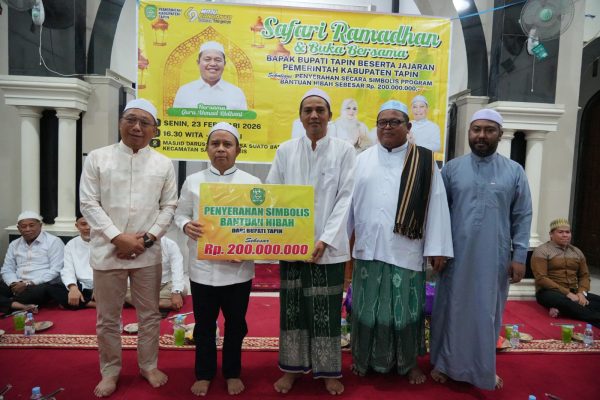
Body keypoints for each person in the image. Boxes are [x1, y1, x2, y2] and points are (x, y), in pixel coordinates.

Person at [348, 100, 453, 383]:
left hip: (406, 248)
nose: (387, 127)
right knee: (366, 310)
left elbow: (437, 205)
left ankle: (408, 364)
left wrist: (438, 249)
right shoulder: (362, 160)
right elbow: (347, 205)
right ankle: (363, 359)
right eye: (382, 122)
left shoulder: (424, 161)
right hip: (369, 247)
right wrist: (339, 242)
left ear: (408, 127)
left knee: (405, 310)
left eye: (395, 122)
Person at [80, 98, 178, 397]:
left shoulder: (164, 163)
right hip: (107, 251)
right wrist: (117, 237)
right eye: (130, 119)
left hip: (147, 253)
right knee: (108, 318)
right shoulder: (97, 158)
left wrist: (146, 240)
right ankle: (110, 371)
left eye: (144, 122)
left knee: (149, 315)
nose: (136, 127)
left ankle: (148, 365)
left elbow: (169, 206)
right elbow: (88, 202)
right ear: (120, 122)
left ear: (154, 130)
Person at [430, 109, 532, 390]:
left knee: (486, 312)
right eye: (476, 129)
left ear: (500, 134)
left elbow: (522, 216)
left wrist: (519, 256)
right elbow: (438, 214)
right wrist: (437, 249)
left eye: (489, 130)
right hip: (455, 255)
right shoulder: (452, 169)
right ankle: (444, 364)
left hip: (494, 256)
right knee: (451, 308)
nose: (482, 135)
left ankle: (482, 369)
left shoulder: (514, 171)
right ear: (469, 132)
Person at [267, 88, 356, 395]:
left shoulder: (345, 151)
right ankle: (291, 369)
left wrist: (325, 239)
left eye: (320, 110)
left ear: (330, 116)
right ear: (300, 116)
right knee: (292, 310)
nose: (314, 115)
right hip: (291, 247)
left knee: (325, 311)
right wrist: (281, 237)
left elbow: (346, 198)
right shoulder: (285, 150)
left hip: (328, 250)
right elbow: (273, 194)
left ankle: (328, 371)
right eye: (308, 110)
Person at [175, 122, 260, 396]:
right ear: (207, 149)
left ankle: (232, 372)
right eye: (215, 144)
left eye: (227, 144)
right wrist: (186, 225)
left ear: (238, 150)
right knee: (204, 326)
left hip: (238, 271)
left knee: (236, 325)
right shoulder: (193, 181)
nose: (221, 149)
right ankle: (204, 373)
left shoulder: (252, 183)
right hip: (202, 270)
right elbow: (180, 214)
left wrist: (247, 247)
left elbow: (260, 224)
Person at [531, 218, 600, 327]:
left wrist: (581, 293)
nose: (565, 235)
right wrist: (568, 294)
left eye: (567, 232)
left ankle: (562, 310)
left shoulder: (577, 251)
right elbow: (541, 278)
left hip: (574, 291)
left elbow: (584, 275)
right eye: (560, 232)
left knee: (590, 302)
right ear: (551, 234)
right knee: (569, 303)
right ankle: (596, 318)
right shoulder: (542, 251)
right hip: (549, 292)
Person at [0, 211, 66, 314]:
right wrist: (13, 283)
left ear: (40, 225)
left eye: (31, 225)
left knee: (41, 291)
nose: (28, 229)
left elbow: (56, 270)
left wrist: (28, 283)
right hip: (17, 283)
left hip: (39, 285)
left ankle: (9, 304)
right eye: (23, 226)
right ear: (18, 228)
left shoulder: (54, 242)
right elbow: (7, 268)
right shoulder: (14, 244)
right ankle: (21, 306)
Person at [173, 41, 248, 110]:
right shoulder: (184, 91)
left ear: (224, 64)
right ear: (198, 63)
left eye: (218, 60)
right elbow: (176, 119)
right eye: (207, 59)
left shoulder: (236, 92)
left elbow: (243, 119)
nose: (213, 64)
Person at [124, 236, 187, 313]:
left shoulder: (170, 244)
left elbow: (177, 269)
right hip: (143, 287)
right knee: (120, 290)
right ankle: (164, 304)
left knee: (183, 289)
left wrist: (176, 292)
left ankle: (140, 303)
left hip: (165, 285)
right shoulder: (135, 243)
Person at [60, 216, 96, 309]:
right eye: (83, 224)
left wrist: (99, 286)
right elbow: (68, 269)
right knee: (53, 289)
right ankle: (94, 304)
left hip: (104, 285)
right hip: (82, 286)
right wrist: (73, 287)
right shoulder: (71, 244)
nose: (88, 227)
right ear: (77, 226)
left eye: (91, 224)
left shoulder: (106, 242)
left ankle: (82, 303)